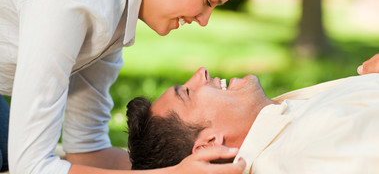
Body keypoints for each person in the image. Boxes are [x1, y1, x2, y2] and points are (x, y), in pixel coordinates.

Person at [0, 0, 249, 173]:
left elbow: (88, 151)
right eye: (207, 1)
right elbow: (31, 167)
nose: (204, 20)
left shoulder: (113, 14)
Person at [127, 63, 379, 173]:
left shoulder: (283, 125)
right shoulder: (308, 154)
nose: (200, 72)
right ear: (210, 145)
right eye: (188, 93)